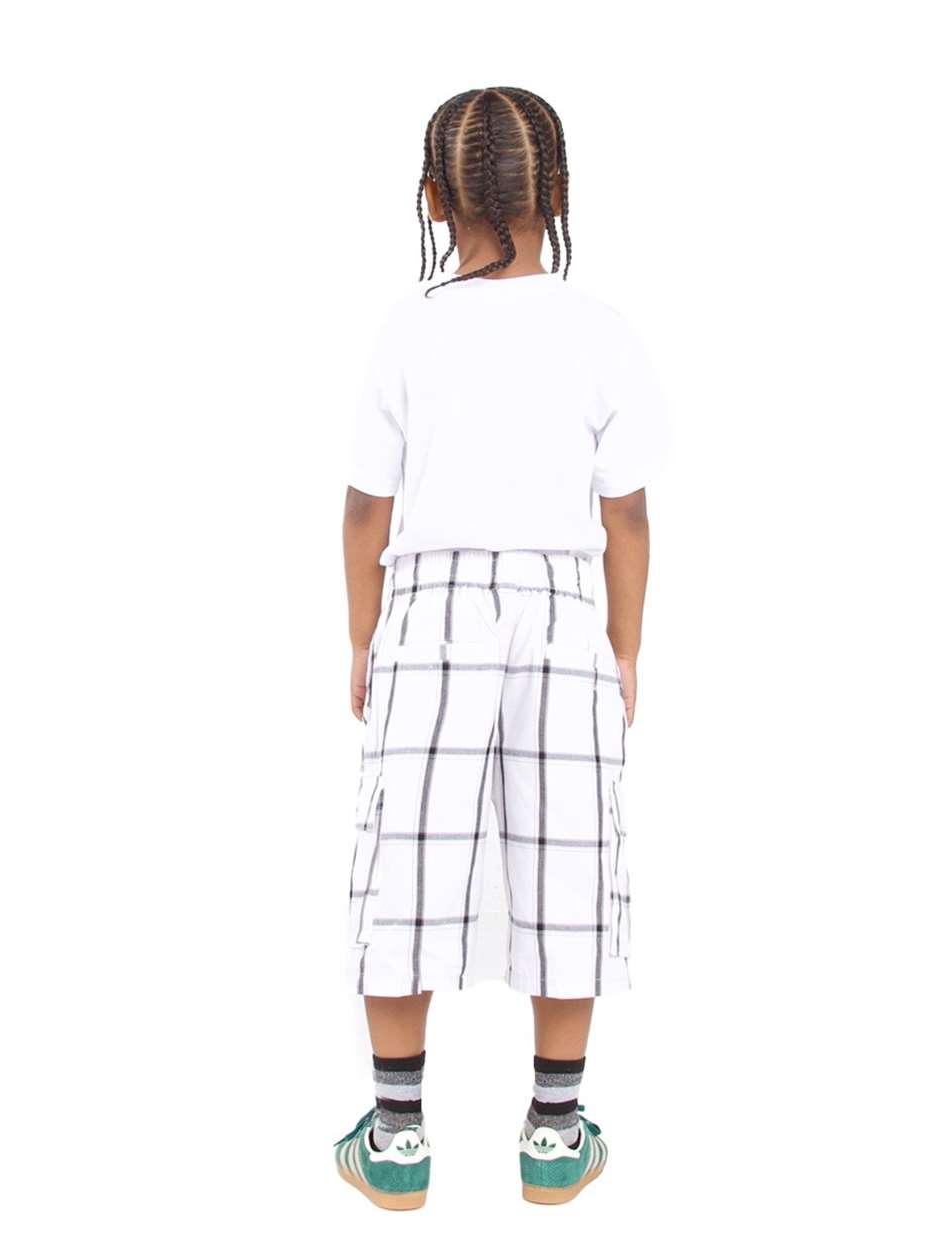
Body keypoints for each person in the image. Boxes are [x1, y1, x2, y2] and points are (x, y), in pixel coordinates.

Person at [335, 86, 670, 1209]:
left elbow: (364, 510)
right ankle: (555, 1131)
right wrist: (624, 647)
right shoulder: (601, 331)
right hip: (564, 605)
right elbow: (628, 516)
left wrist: (362, 638)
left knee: (408, 856)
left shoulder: (408, 328)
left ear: (433, 201)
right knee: (569, 853)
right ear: (556, 193)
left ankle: (396, 1137)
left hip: (428, 608)